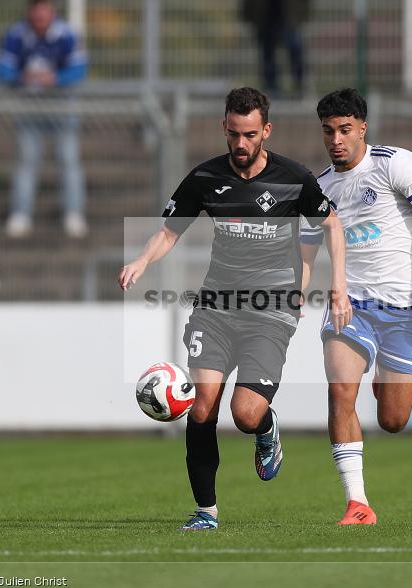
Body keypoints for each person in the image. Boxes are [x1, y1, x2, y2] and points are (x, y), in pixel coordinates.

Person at [119, 87, 351, 530]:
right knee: (203, 406)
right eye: (232, 134)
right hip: (216, 307)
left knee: (245, 414)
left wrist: (336, 287)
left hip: (270, 310)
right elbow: (169, 232)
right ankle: (205, 511)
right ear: (223, 129)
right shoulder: (205, 178)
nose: (240, 144)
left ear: (266, 130)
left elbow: (332, 225)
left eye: (249, 134)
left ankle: (265, 427)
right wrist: (141, 261)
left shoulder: (294, 178)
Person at [300, 89, 412, 526]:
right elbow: (305, 249)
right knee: (340, 390)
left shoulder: (393, 164)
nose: (335, 140)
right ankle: (357, 502)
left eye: (344, 130)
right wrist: (296, 292)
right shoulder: (320, 188)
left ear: (362, 128)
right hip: (352, 303)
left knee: (393, 420)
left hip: (411, 307)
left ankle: (384, 378)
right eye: (328, 131)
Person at [0, 0, 89, 239]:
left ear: (52, 10)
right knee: (27, 161)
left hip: (61, 108)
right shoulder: (17, 34)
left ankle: (73, 213)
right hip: (29, 108)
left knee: (68, 160)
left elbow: (79, 69)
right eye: (35, 8)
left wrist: (55, 79)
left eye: (43, 8)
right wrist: (21, 77)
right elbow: (2, 69)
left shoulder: (66, 34)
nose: (39, 14)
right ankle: (21, 214)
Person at [241, 0, 310, 96]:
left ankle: (299, 85)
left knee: (295, 51)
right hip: (265, 18)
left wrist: (302, 14)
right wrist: (249, 15)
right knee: (268, 56)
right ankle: (271, 88)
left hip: (288, 18)